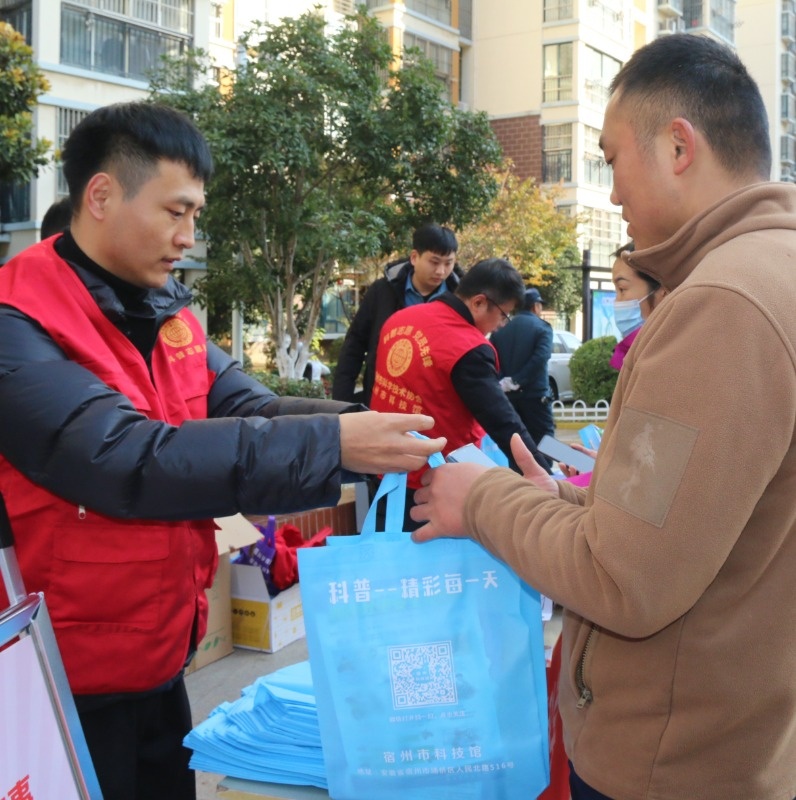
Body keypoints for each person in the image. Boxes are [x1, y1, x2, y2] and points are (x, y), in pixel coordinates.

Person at [0, 101, 443, 800]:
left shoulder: (168, 315)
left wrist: (375, 432)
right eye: (176, 212)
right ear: (102, 195)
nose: (188, 236)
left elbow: (252, 408)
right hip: (59, 678)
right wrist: (334, 442)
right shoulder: (16, 325)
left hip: (158, 655)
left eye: (196, 215)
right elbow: (127, 460)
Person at [410, 33, 796, 800]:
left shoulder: (721, 306)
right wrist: (579, 505)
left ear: (678, 146)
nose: (612, 191)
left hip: (672, 760)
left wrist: (480, 500)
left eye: (613, 158)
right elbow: (715, 520)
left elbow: (623, 578)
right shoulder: (772, 275)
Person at [369, 257, 550, 530]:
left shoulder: (400, 319)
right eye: (503, 314)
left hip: (384, 470)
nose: (502, 325)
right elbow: (502, 422)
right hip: (436, 485)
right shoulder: (466, 346)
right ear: (479, 302)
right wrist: (541, 474)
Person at [332, 223, 460, 405]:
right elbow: (354, 347)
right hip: (384, 398)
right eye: (434, 262)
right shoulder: (382, 292)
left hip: (436, 405)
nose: (441, 271)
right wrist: (341, 402)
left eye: (448, 263)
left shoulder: (459, 300)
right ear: (414, 257)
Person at [490, 287, 556, 468]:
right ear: (535, 306)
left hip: (508, 397)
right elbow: (540, 358)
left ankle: (520, 483)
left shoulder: (500, 330)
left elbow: (493, 359)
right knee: (547, 441)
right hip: (536, 397)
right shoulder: (543, 328)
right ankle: (552, 477)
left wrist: (507, 381)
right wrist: (518, 380)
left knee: (516, 442)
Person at [609, 242, 667, 370]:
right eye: (616, 291)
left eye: (622, 289)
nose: (617, 301)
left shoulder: (670, 359)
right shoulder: (631, 353)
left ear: (662, 292)